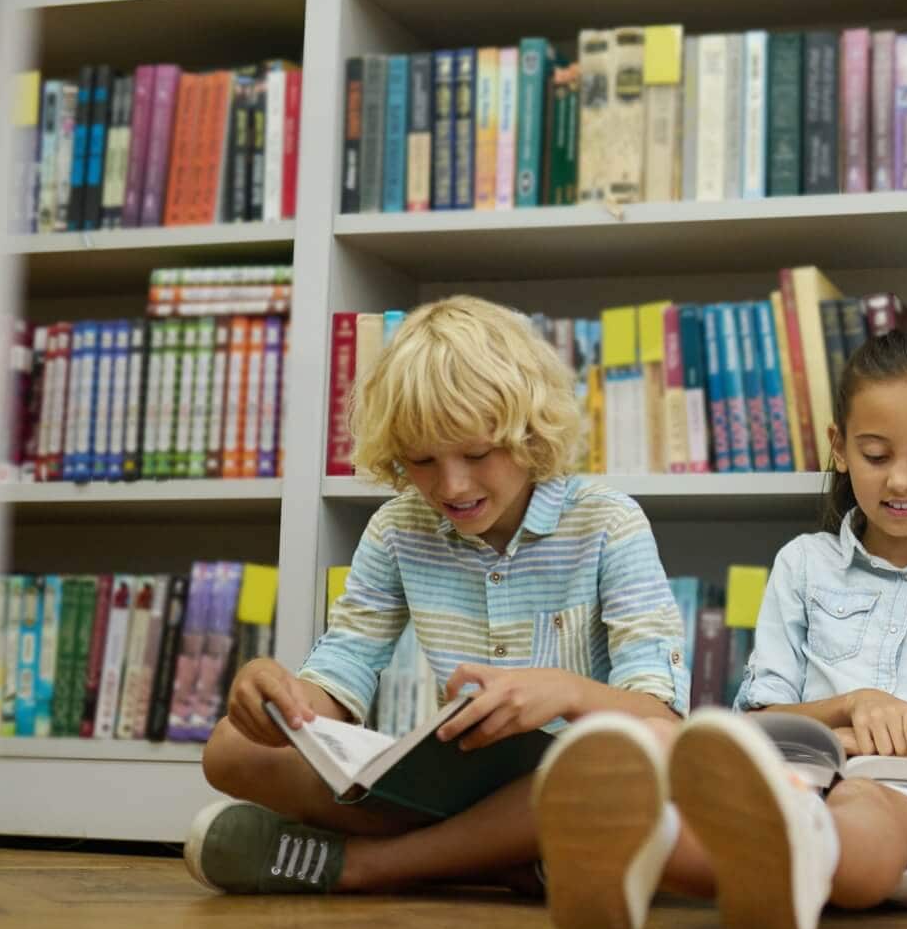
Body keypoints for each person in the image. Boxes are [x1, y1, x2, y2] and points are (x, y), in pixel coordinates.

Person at [532, 332, 907, 929]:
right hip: (806, 777)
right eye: (877, 455)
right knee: (689, 749)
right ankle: (637, 842)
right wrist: (849, 707)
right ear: (839, 448)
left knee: (862, 801)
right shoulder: (803, 564)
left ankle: (668, 845)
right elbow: (762, 718)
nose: (901, 479)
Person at [184, 295, 689, 896]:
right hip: (454, 787)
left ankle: (361, 865)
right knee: (230, 748)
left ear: (530, 433)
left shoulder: (609, 523)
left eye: (477, 454)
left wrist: (565, 693)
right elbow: (341, 674)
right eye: (421, 460)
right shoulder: (398, 529)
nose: (451, 485)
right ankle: (509, 863)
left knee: (644, 760)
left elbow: (662, 717)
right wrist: (280, 697)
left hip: (571, 777)